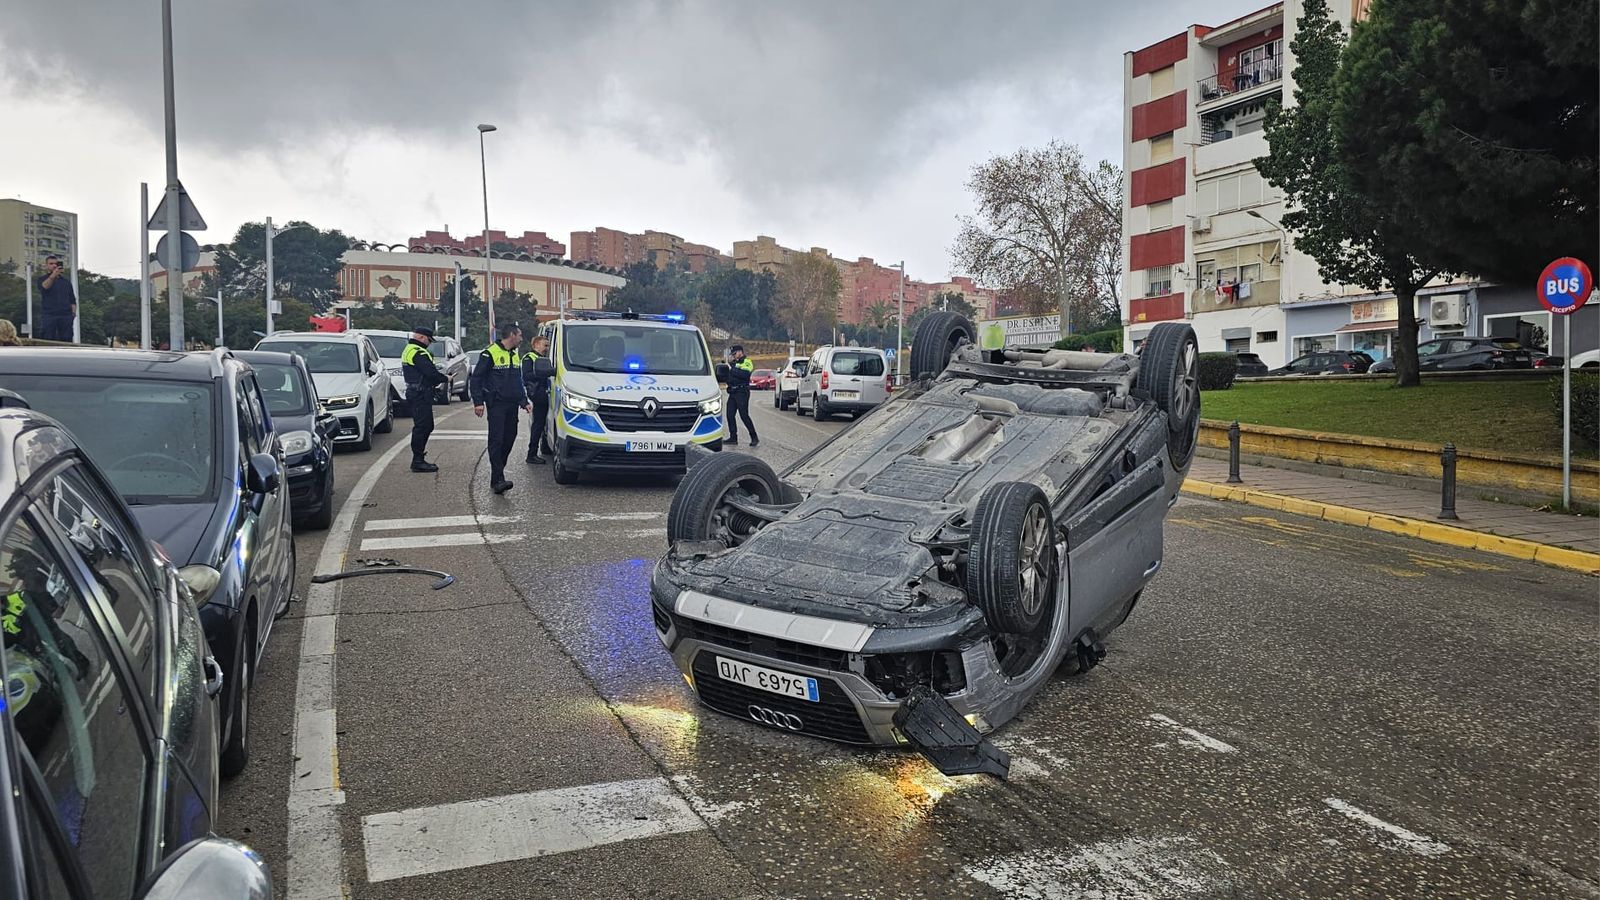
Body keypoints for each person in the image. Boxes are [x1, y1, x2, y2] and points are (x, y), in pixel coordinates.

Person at [470, 322, 531, 494]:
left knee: (510, 437)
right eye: (519, 335)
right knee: (496, 440)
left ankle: (497, 474)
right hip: (496, 403)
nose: (521, 338)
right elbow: (477, 379)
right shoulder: (489, 353)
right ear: (512, 335)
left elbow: (517, 381)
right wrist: (478, 402)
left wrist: (524, 401)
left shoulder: (514, 354)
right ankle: (498, 479)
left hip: (512, 404)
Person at [401, 325, 446, 473]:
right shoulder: (418, 352)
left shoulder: (410, 350)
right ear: (421, 337)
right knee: (423, 427)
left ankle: (418, 458)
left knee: (424, 426)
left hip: (416, 392)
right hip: (419, 394)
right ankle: (418, 460)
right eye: (428, 340)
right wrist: (446, 378)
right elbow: (431, 374)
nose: (429, 343)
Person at [522, 333, 554, 465]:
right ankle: (532, 454)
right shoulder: (529, 358)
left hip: (545, 392)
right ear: (536, 345)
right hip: (538, 393)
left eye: (548, 345)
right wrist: (547, 372)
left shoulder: (542, 358)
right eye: (545, 345)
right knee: (538, 423)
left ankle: (542, 447)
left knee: (543, 423)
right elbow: (527, 376)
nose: (547, 348)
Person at [723, 344, 758, 447]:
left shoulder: (747, 362)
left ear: (740, 352)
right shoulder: (733, 364)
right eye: (732, 354)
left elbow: (745, 374)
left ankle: (754, 437)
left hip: (742, 392)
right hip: (733, 392)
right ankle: (733, 437)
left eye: (735, 353)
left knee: (744, 415)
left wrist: (732, 368)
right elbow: (729, 377)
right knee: (730, 415)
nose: (733, 356)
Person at [35, 256, 76, 343]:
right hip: (49, 314)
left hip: (65, 315)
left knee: (67, 339)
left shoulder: (66, 282)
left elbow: (72, 298)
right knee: (47, 338)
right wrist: (53, 275)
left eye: (55, 264)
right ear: (46, 266)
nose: (54, 266)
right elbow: (45, 287)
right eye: (51, 264)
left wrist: (72, 314)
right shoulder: (42, 279)